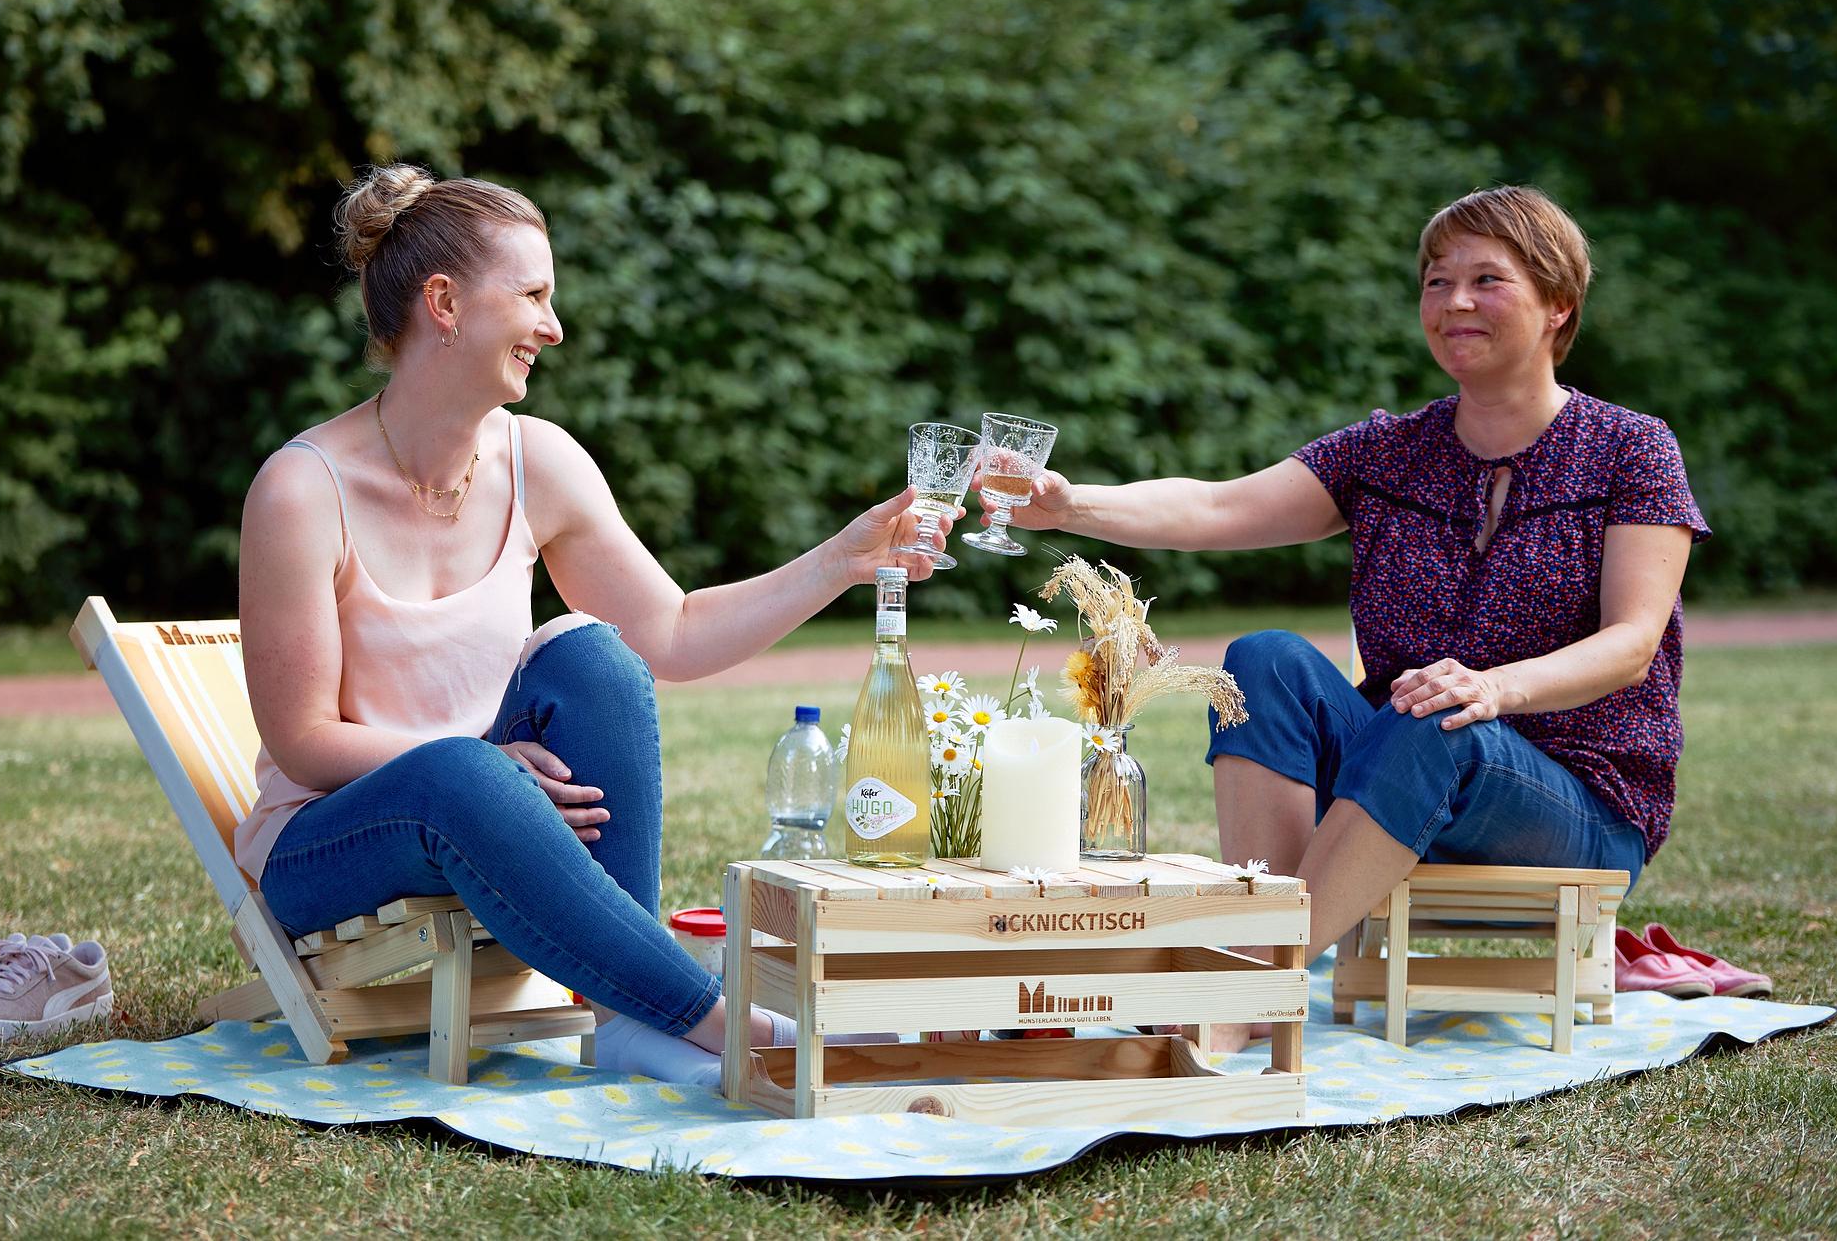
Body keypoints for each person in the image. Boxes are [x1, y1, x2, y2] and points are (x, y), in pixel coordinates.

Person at [233, 164, 944, 1082]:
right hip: (331, 841)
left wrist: (841, 562)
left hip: (485, 792)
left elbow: (674, 631)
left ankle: (627, 1012)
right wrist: (483, 763)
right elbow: (302, 741)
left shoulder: (542, 461)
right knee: (456, 767)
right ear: (444, 304)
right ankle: (729, 1024)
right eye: (532, 295)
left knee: (596, 655)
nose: (553, 327)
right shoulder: (300, 490)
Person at [989, 186, 1708, 1047]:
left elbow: (1632, 644)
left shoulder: (1632, 448)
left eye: (1488, 279)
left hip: (1577, 808)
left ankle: (1246, 994)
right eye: (1437, 283)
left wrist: (1491, 690)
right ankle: (1253, 963)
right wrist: (1071, 506)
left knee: (1436, 711)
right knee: (1263, 659)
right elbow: (1220, 508)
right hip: (1398, 779)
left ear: (1560, 305)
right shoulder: (1389, 450)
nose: (1455, 303)